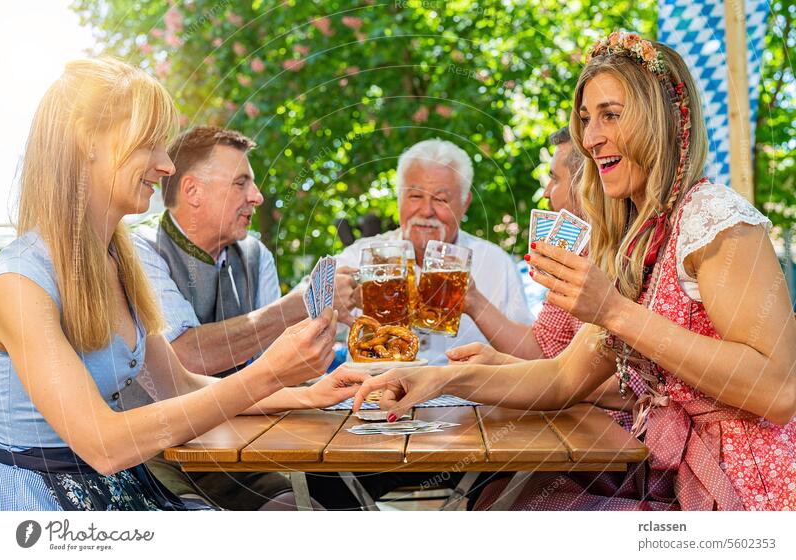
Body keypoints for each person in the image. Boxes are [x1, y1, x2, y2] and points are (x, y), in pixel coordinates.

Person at [352, 33, 796, 510]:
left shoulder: (715, 218)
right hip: (670, 470)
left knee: (516, 509)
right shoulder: (635, 240)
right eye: (586, 119)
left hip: (747, 485)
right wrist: (439, 380)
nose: (590, 138)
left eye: (611, 115)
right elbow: (563, 377)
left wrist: (613, 311)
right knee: (504, 501)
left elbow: (779, 390)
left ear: (661, 121)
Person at [0, 57, 363, 511]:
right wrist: (268, 373)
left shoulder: (117, 262)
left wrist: (303, 393)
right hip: (49, 507)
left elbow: (180, 387)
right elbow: (104, 445)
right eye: (150, 145)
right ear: (87, 140)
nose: (167, 165)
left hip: (122, 491)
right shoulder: (17, 282)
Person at [120, 126, 364, 509]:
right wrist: (300, 304)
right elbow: (186, 357)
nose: (257, 196)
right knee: (297, 507)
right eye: (241, 183)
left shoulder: (254, 254)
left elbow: (272, 362)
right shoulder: (139, 249)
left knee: (337, 502)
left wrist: (316, 354)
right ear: (192, 191)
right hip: (157, 449)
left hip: (246, 433)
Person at [462, 126, 637, 428]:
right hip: (576, 432)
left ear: (589, 184)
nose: (545, 192)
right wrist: (474, 302)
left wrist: (505, 369)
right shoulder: (579, 251)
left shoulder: (636, 253)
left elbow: (631, 389)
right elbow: (543, 349)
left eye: (555, 179)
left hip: (622, 445)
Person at [334, 138, 533, 365]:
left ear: (465, 203)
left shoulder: (494, 261)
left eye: (441, 199)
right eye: (415, 196)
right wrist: (334, 300)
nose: (427, 211)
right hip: (375, 395)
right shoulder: (362, 255)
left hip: (469, 399)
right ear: (399, 198)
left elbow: (531, 358)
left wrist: (476, 304)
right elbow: (300, 317)